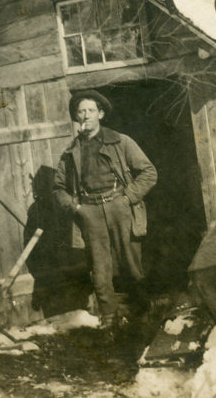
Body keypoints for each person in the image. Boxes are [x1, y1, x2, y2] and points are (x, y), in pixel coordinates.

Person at [53, 89, 157, 336]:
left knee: (132, 263)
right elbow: (57, 188)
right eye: (81, 112)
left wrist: (127, 199)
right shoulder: (71, 152)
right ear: (76, 117)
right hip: (90, 212)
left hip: (119, 206)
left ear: (100, 114)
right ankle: (109, 319)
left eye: (90, 111)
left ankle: (142, 313)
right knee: (100, 270)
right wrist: (77, 208)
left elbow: (149, 172)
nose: (85, 116)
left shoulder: (120, 141)